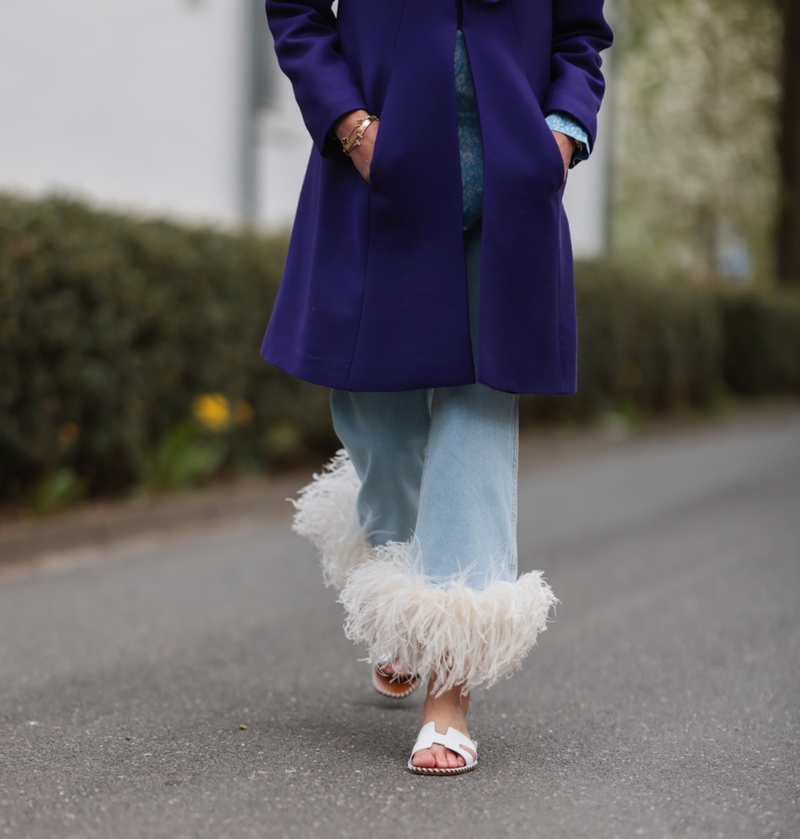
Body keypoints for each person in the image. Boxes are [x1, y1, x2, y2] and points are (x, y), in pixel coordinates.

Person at [261, 0, 613, 775]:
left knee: (477, 424)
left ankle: (448, 690)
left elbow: (582, 36)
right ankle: (398, 585)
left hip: (512, 193)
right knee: (376, 423)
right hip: (379, 179)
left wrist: (558, 139)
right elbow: (294, 10)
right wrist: (351, 126)